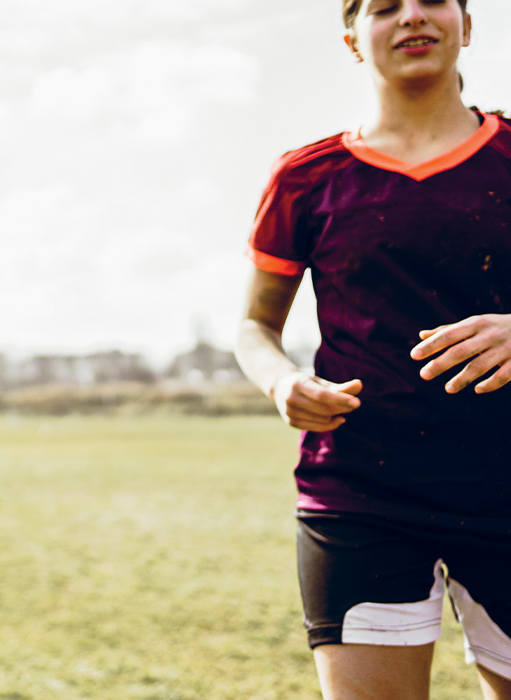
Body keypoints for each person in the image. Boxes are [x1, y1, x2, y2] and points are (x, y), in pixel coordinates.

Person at [234, 1, 511, 697]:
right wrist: (280, 382)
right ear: (354, 39)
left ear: (467, 25)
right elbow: (254, 329)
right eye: (385, 6)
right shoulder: (305, 177)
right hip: (361, 495)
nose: (411, 16)